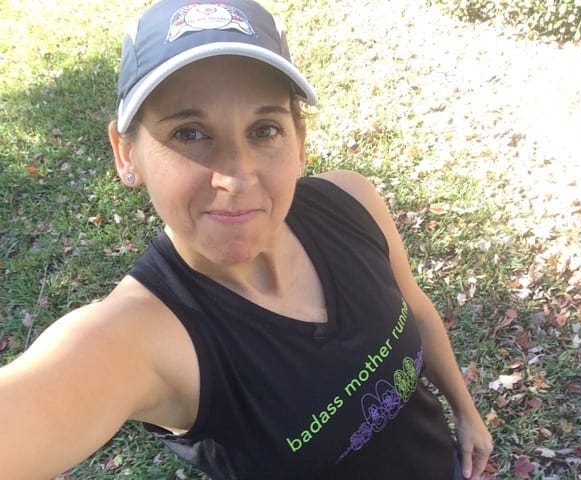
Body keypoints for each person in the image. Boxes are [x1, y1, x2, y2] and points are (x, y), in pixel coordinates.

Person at [0, 0, 492, 478]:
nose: (236, 178)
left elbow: (416, 308)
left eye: (264, 129)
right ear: (126, 153)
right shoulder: (142, 338)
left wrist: (465, 411)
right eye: (190, 133)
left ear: (299, 140)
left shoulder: (352, 201)